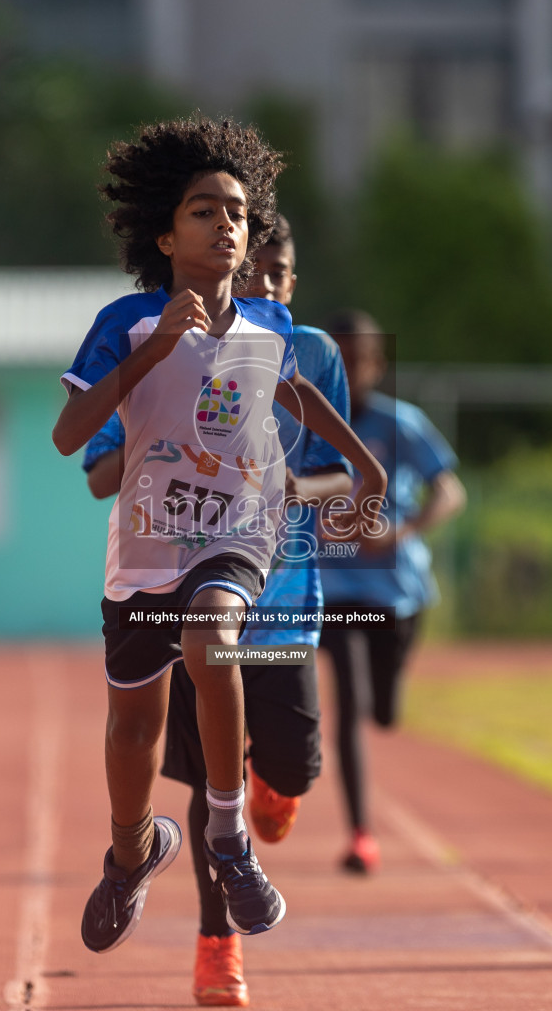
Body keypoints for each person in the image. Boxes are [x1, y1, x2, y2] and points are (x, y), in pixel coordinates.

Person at [51, 116, 387, 957]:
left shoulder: (270, 330)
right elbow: (68, 436)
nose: (226, 224)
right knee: (134, 734)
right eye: (204, 211)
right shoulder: (126, 320)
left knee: (214, 638)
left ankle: (229, 842)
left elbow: (299, 397)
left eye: (237, 211)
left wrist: (363, 466)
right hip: (144, 550)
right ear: (164, 235)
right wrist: (151, 354)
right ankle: (134, 853)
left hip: (235, 533)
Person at [81, 214, 351, 1006]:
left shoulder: (309, 355)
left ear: (291, 282)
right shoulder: (165, 340)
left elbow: (340, 475)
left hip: (284, 605)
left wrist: (282, 482)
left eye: (277, 272)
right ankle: (216, 947)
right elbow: (100, 472)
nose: (261, 283)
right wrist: (175, 414)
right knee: (209, 779)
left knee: (287, 777)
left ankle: (274, 792)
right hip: (187, 589)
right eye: (251, 268)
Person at [318, 309, 465, 874]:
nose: (348, 369)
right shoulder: (303, 425)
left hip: (397, 593)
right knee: (347, 705)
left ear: (377, 365)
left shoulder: (401, 424)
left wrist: (400, 533)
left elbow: (450, 492)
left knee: (383, 711)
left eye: (358, 359)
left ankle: (385, 701)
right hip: (334, 588)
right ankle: (361, 834)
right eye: (337, 358)